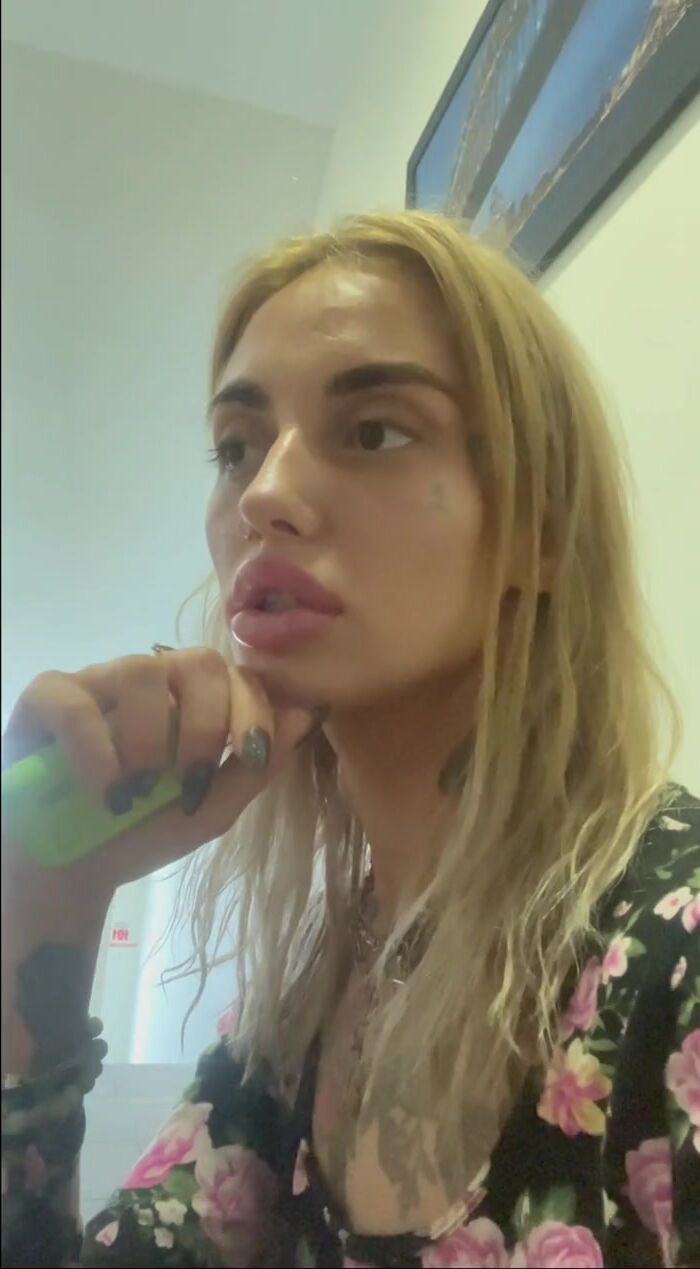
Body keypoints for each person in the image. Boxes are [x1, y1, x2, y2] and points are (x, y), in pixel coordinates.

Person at [1, 211, 698, 1269]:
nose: (264, 495)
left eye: (373, 431)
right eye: (236, 447)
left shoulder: (673, 961)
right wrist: (43, 895)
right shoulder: (308, 1006)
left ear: (540, 528)